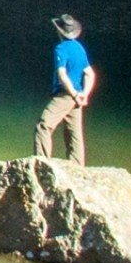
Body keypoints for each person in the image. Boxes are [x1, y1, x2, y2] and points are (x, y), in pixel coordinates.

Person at [38, 13, 95, 163]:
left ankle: (41, 162)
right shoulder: (79, 48)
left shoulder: (61, 48)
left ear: (59, 31)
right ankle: (77, 167)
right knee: (73, 134)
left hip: (65, 95)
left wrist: (75, 95)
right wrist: (84, 94)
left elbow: (62, 74)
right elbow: (90, 74)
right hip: (76, 97)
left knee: (43, 126)